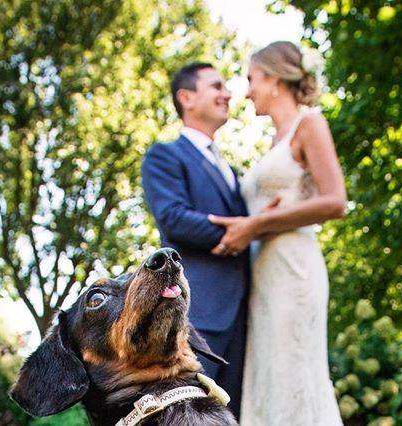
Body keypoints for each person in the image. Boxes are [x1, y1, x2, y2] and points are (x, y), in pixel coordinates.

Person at [208, 41, 346, 425]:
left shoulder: (310, 124)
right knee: (267, 375)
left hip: (294, 270)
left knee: (296, 371)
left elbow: (336, 201)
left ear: (272, 79)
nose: (247, 91)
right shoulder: (272, 141)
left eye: (251, 79)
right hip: (264, 275)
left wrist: (258, 225)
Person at [140, 62, 249, 419]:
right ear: (186, 97)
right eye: (216, 86)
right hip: (198, 314)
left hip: (244, 315)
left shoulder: (231, 170)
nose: (227, 94)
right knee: (187, 415)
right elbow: (173, 218)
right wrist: (237, 232)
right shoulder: (166, 155)